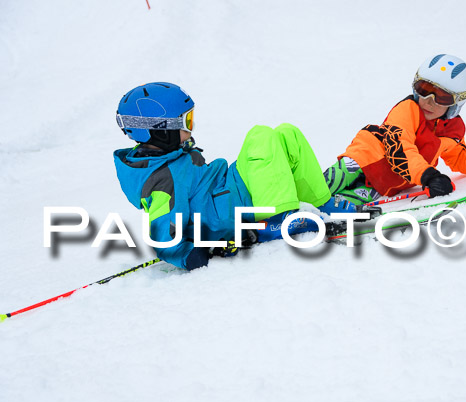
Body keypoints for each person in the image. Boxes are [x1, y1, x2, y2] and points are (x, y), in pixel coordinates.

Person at [113, 82, 358, 270]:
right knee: (260, 137)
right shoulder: (160, 179)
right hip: (231, 209)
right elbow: (162, 230)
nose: (191, 127)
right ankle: (275, 220)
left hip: (230, 191)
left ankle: (322, 202)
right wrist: (187, 255)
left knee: (286, 134)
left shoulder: (170, 154)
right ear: (160, 131)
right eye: (186, 121)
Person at [324, 54, 466, 205]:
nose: (429, 101)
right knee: (323, 188)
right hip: (360, 161)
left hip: (384, 186)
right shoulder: (407, 110)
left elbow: (459, 155)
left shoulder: (451, 128)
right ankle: (299, 198)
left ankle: (312, 217)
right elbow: (400, 150)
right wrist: (428, 176)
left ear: (456, 103)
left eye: (441, 97)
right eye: (424, 89)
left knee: (343, 203)